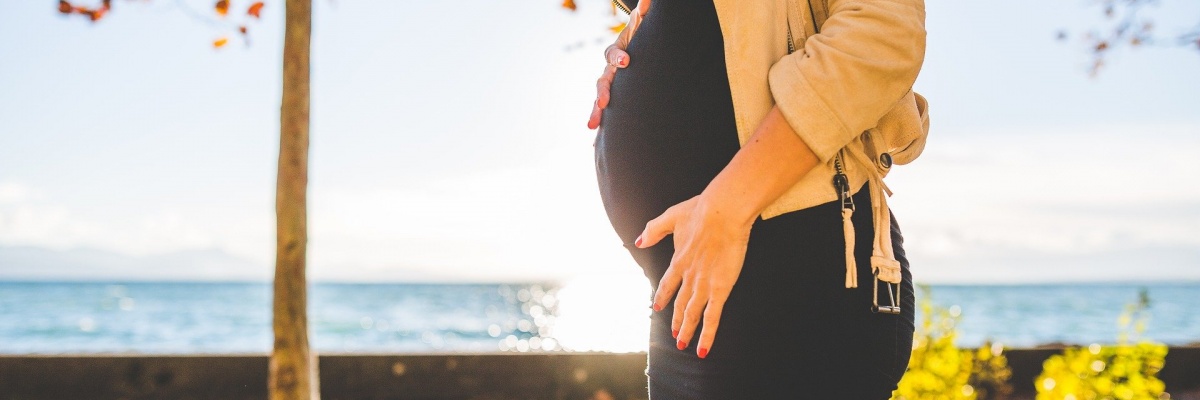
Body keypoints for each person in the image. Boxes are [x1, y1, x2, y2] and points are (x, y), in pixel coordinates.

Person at [587, 0, 928, 398]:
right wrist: (637, 40)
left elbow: (883, 35)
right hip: (687, 297)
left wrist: (729, 206)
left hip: (796, 284)